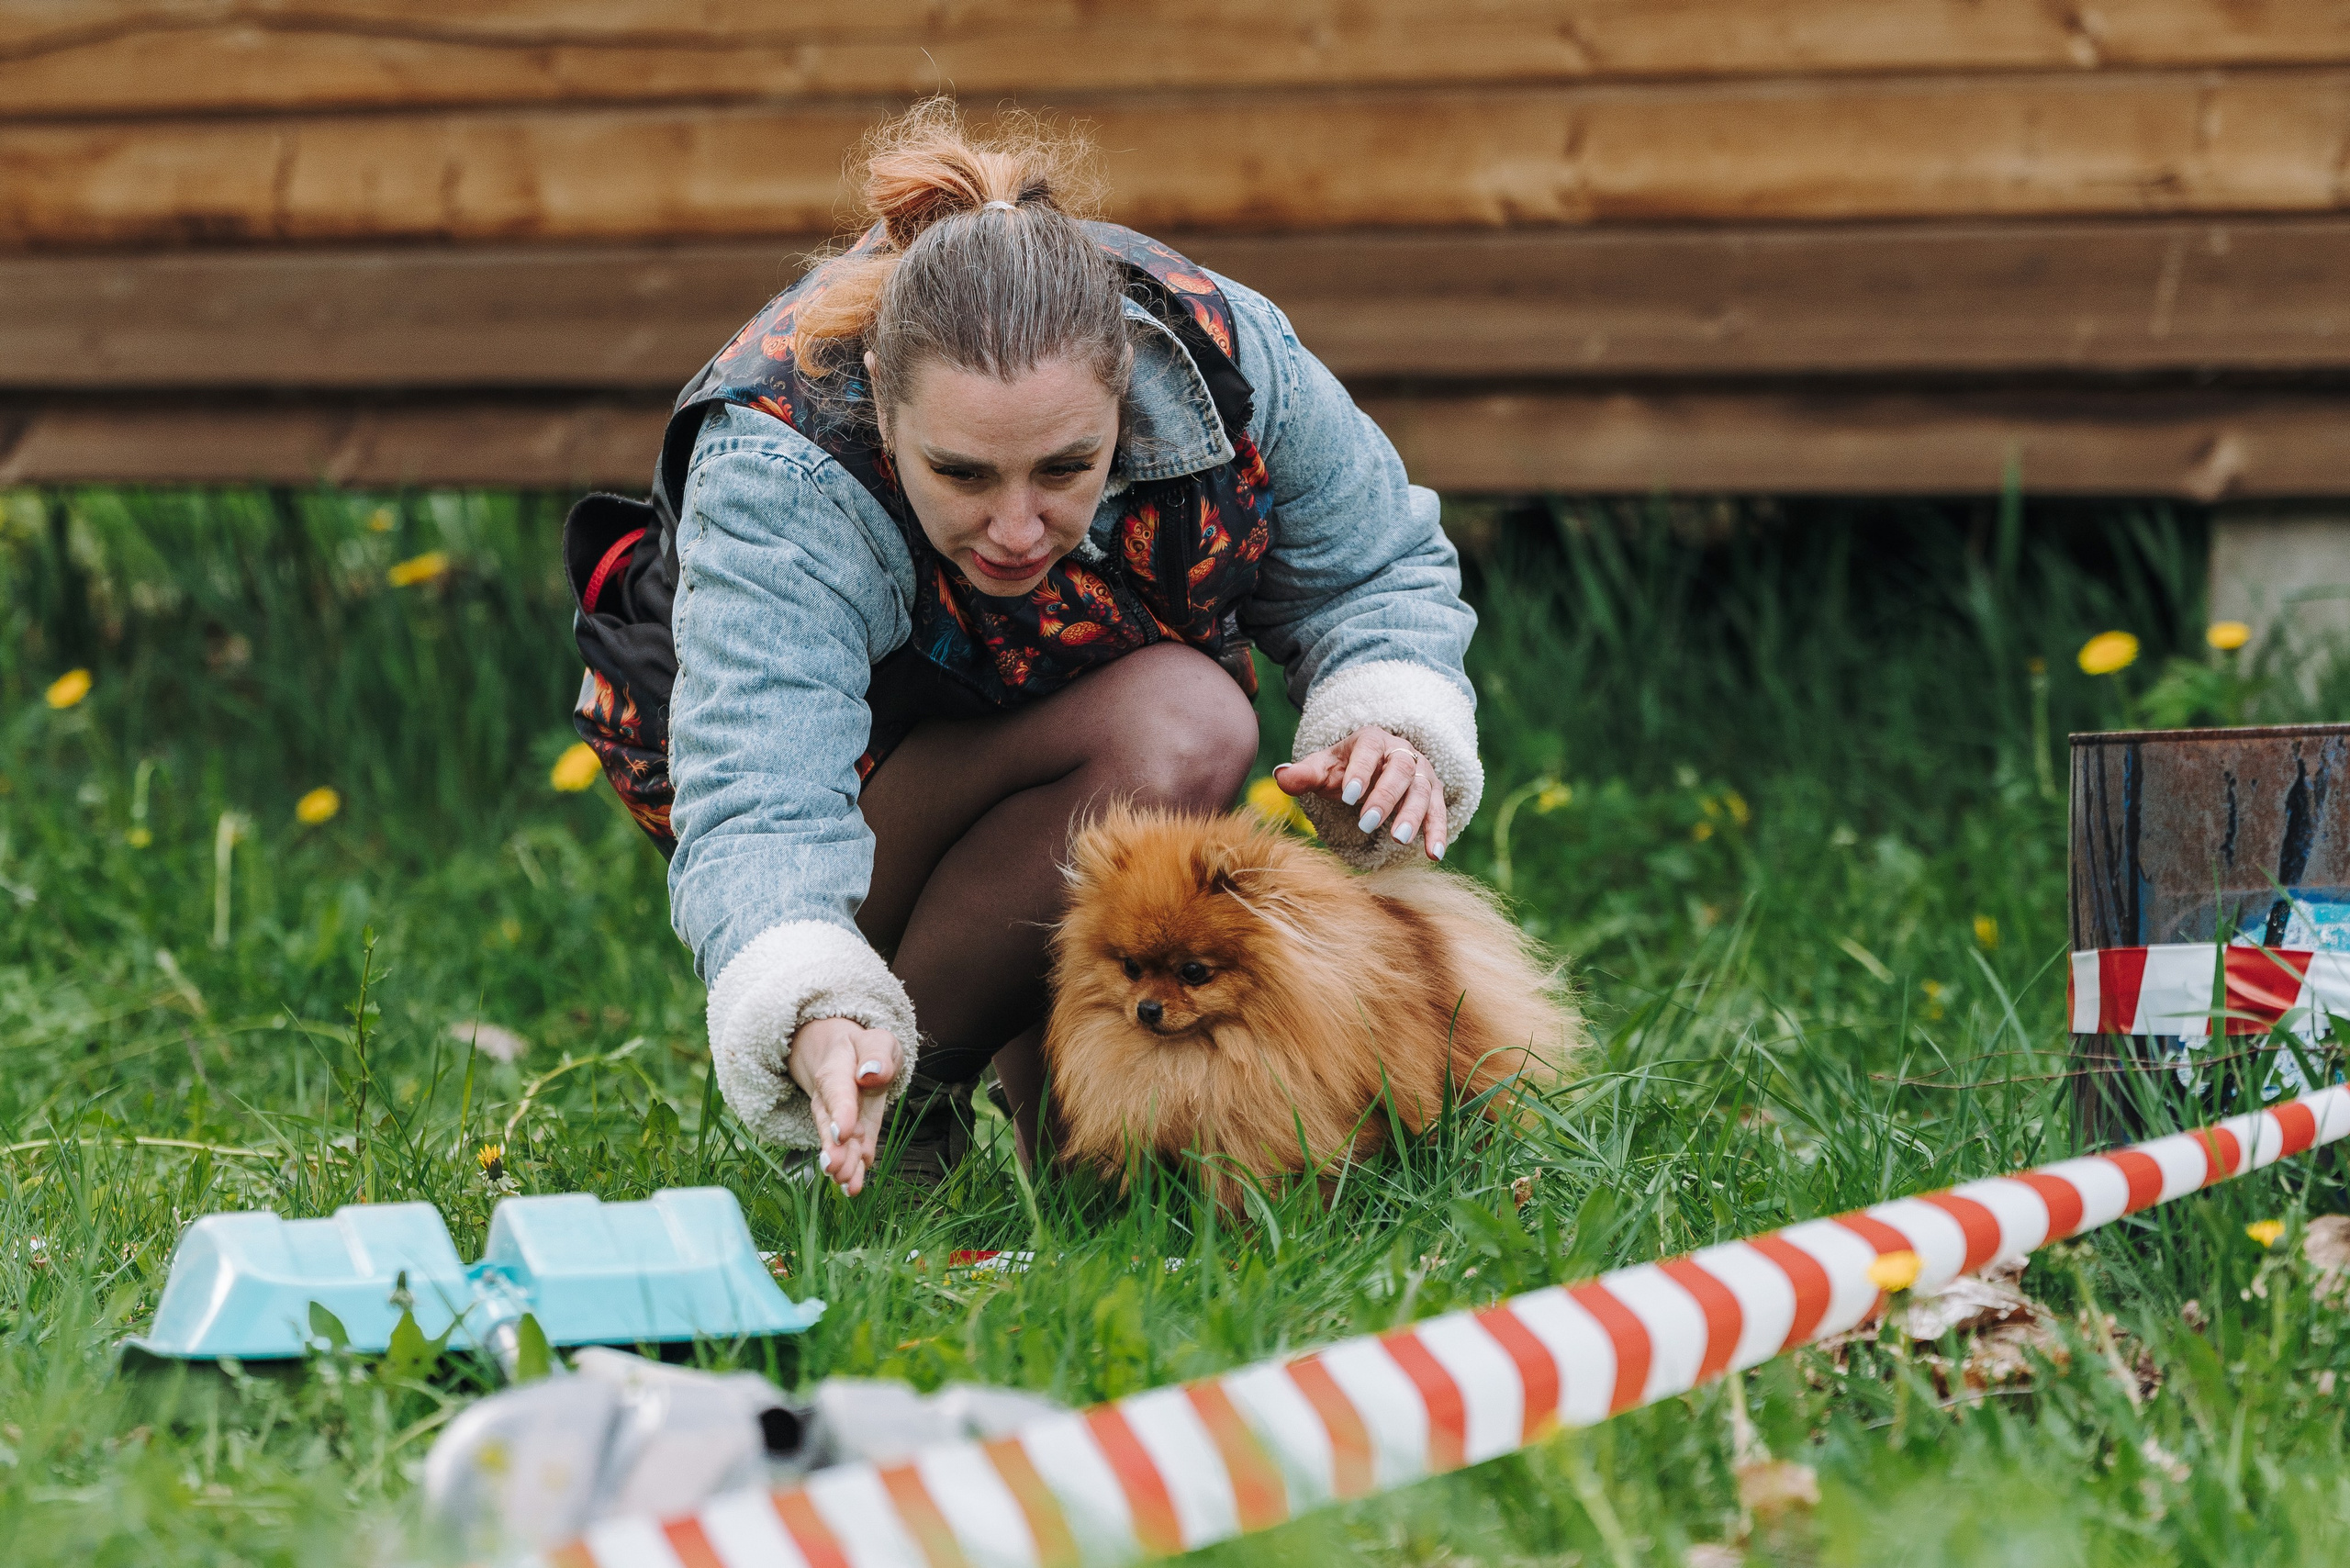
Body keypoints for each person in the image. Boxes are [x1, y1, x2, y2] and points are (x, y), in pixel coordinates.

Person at [570, 101, 1484, 1194]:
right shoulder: (781, 464)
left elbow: (1372, 567)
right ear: (880, 399)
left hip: (1043, 702)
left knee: (1175, 714)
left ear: (1124, 388)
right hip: (827, 783)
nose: (1014, 526)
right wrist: (808, 1003)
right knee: (1179, 726)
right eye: (960, 473)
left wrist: (1390, 721)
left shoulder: (1227, 359)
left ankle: (1047, 1101)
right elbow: (763, 795)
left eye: (1064, 469)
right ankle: (894, 1103)